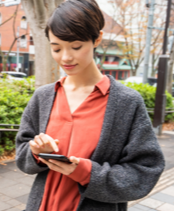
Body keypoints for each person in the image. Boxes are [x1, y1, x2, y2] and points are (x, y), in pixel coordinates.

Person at [15, 0, 165, 210]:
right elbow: (21, 153)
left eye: (76, 46)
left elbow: (145, 171)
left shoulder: (126, 102)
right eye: (56, 48)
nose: (66, 57)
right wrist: (37, 152)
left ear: (97, 39)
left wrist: (87, 173)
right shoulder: (43, 96)